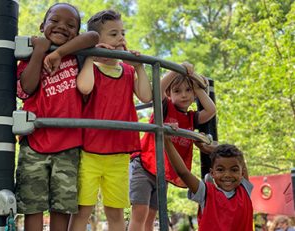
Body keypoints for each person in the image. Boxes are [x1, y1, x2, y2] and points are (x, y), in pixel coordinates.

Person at [15, 3, 99, 231]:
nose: (62, 26)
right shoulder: (30, 55)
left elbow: (93, 36)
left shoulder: (77, 56)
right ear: (42, 26)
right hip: (34, 143)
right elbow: (27, 88)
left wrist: (59, 53)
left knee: (61, 206)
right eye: (54, 21)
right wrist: (41, 51)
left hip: (68, 145)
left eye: (70, 25)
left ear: (76, 33)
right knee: (33, 204)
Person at [68, 10, 152, 231]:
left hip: (119, 154)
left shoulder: (126, 71)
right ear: (98, 41)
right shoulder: (92, 68)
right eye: (114, 34)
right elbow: (84, 87)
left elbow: (145, 96)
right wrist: (90, 56)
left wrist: (139, 66)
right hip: (90, 153)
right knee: (82, 211)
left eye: (122, 33)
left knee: (115, 213)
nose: (121, 38)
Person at [128, 63, 216, 231]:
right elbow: (159, 88)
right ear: (169, 94)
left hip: (161, 172)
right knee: (140, 212)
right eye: (177, 91)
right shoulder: (165, 108)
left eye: (187, 90)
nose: (184, 95)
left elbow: (211, 110)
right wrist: (177, 69)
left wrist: (197, 87)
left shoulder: (191, 118)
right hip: (144, 165)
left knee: (151, 217)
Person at [164, 137, 254, 231]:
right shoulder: (206, 193)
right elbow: (183, 172)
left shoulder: (244, 189)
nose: (227, 175)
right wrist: (166, 139)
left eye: (234, 170)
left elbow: (241, 162)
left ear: (242, 174)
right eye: (220, 169)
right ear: (212, 173)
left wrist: (212, 149)